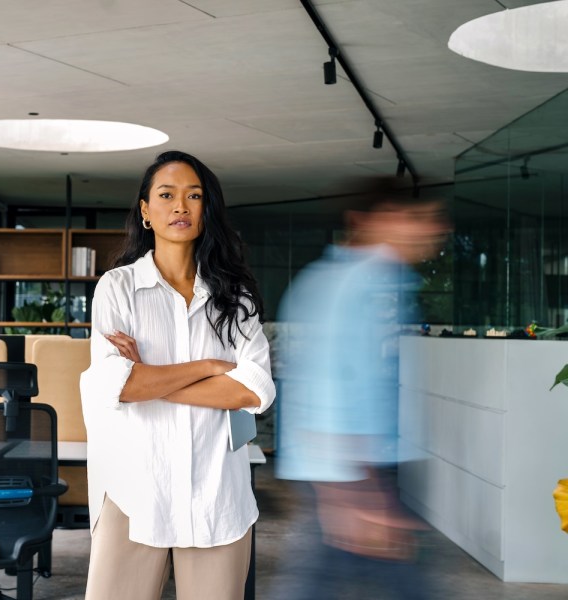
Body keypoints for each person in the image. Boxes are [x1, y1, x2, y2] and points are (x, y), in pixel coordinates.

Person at [80, 150, 275, 600]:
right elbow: (119, 384)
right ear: (146, 211)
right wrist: (208, 368)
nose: (180, 206)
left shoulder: (236, 297)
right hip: (133, 491)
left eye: (194, 196)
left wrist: (148, 379)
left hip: (217, 495)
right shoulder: (118, 288)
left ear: (207, 209)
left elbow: (254, 390)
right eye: (166, 195)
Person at [274, 177, 450, 599]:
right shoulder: (359, 286)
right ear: (375, 221)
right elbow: (333, 386)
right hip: (348, 473)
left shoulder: (367, 281)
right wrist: (358, 495)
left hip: (353, 471)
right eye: (416, 219)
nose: (432, 231)